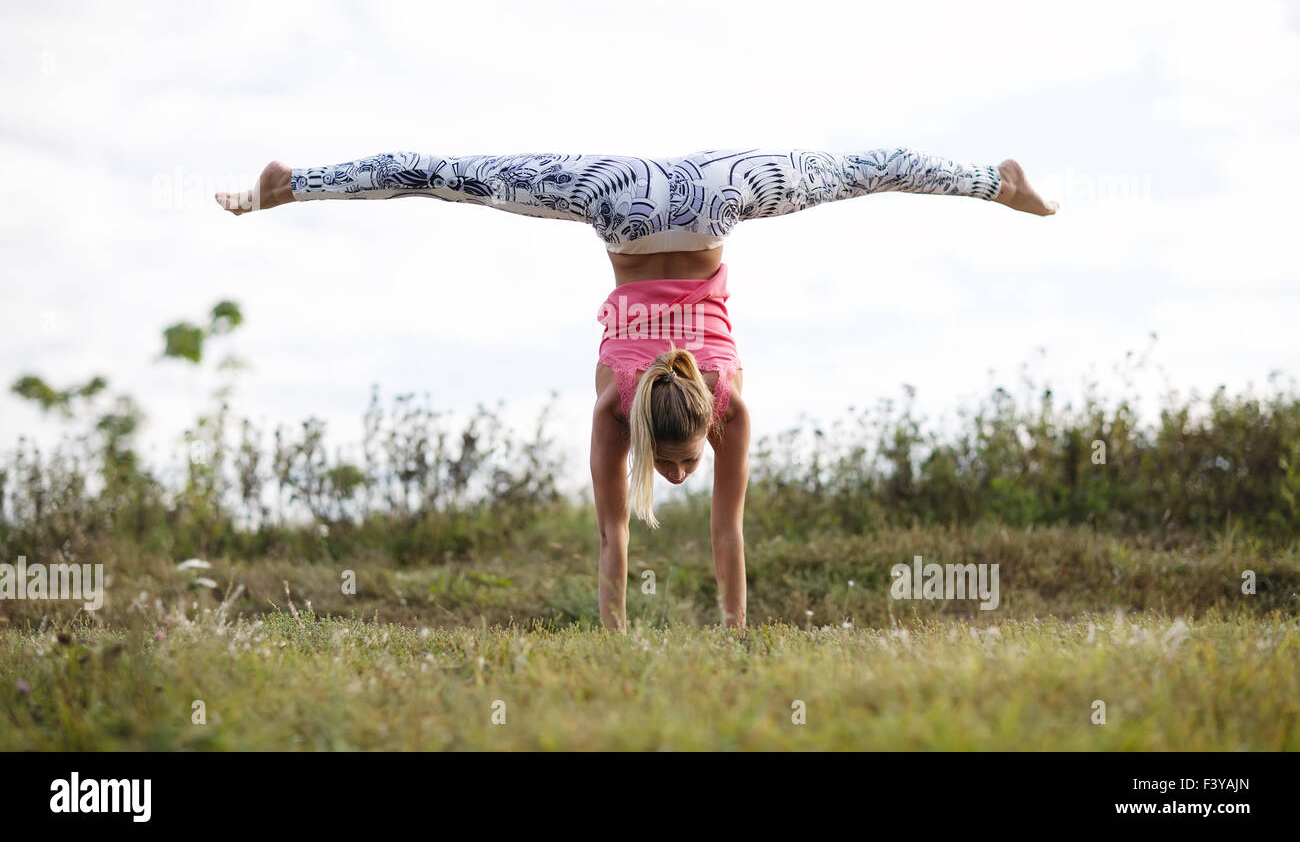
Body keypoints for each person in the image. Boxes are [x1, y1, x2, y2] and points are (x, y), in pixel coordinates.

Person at [216, 147, 1058, 631]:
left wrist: (665, 633)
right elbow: (699, 534)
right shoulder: (630, 401)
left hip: (658, 197)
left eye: (680, 464)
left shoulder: (680, 402)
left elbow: (635, 537)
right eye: (686, 462)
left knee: (451, 175)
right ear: (697, 424)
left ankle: (291, 183)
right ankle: (998, 180)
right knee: (864, 172)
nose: (687, 473)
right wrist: (714, 632)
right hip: (681, 193)